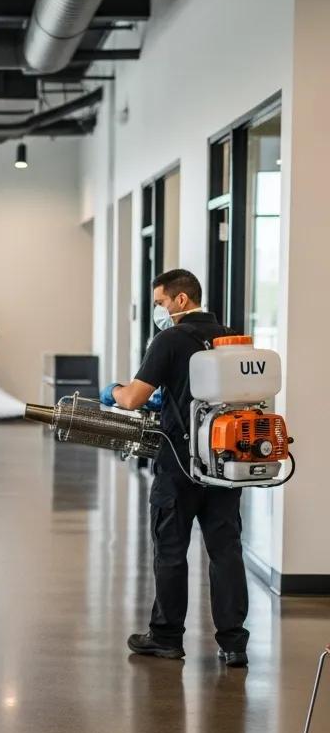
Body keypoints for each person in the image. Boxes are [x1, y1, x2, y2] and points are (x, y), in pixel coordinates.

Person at [100, 268, 250, 668]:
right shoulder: (230, 337)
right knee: (226, 551)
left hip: (178, 464)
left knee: (170, 550)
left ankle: (166, 637)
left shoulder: (169, 340)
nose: (159, 310)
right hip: (222, 464)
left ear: (181, 300)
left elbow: (133, 398)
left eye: (160, 302)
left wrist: (112, 391)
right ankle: (234, 644)